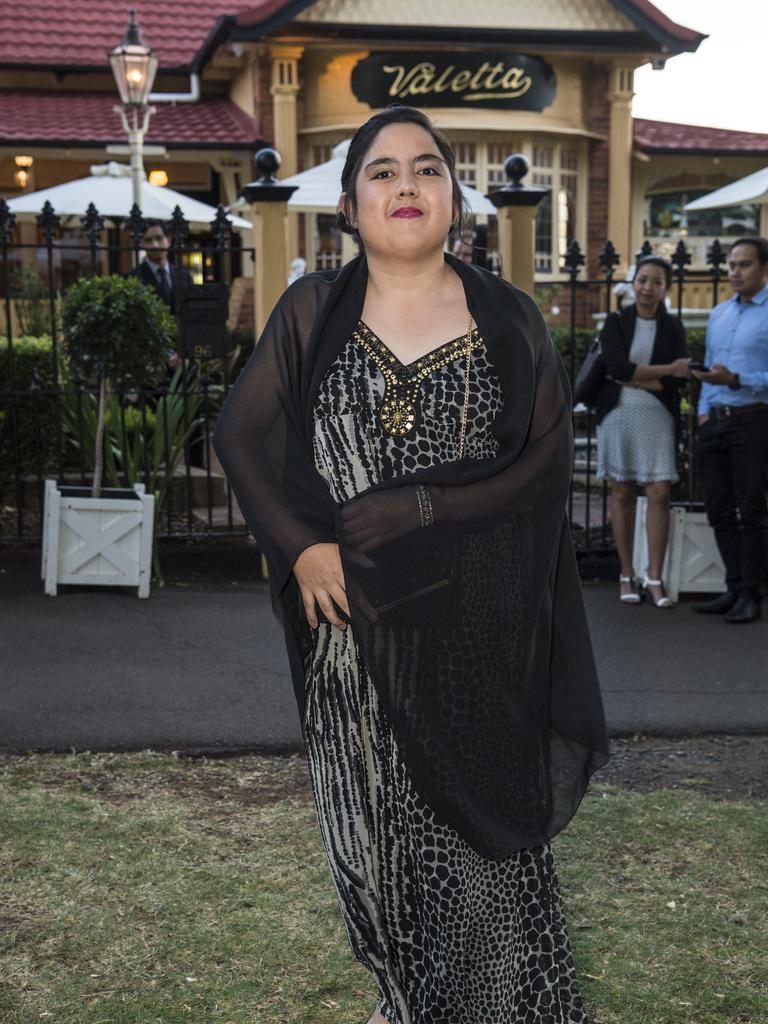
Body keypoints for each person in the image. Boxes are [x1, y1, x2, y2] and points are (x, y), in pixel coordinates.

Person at [213, 105, 609, 1024]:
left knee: (484, 864)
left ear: (456, 198)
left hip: (475, 629)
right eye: (382, 171)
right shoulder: (311, 310)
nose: (406, 186)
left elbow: (544, 465)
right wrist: (303, 546)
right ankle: (408, 997)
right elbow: (240, 431)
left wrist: (428, 506)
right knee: (373, 856)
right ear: (349, 205)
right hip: (352, 633)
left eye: (427, 169)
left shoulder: (507, 318)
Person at [594, 257, 690, 606]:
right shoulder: (617, 322)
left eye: (657, 282)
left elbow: (680, 379)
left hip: (658, 418)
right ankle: (625, 575)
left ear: (666, 288)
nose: (649, 287)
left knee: (660, 493)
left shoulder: (674, 327)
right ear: (634, 284)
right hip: (618, 415)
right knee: (621, 492)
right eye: (643, 280)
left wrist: (634, 378)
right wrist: (662, 373)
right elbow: (616, 366)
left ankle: (654, 577)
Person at [691, 236, 768, 624]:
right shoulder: (720, 313)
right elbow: (708, 367)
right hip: (715, 423)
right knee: (718, 508)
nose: (734, 271)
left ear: (764, 269)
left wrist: (737, 379)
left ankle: (752, 594)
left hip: (754, 420)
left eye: (744, 264)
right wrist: (704, 411)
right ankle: (734, 586)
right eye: (732, 264)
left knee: (752, 510)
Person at [128, 219, 191, 318]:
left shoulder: (184, 276)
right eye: (148, 240)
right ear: (142, 244)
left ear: (169, 240)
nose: (155, 245)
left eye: (159, 238)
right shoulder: (133, 277)